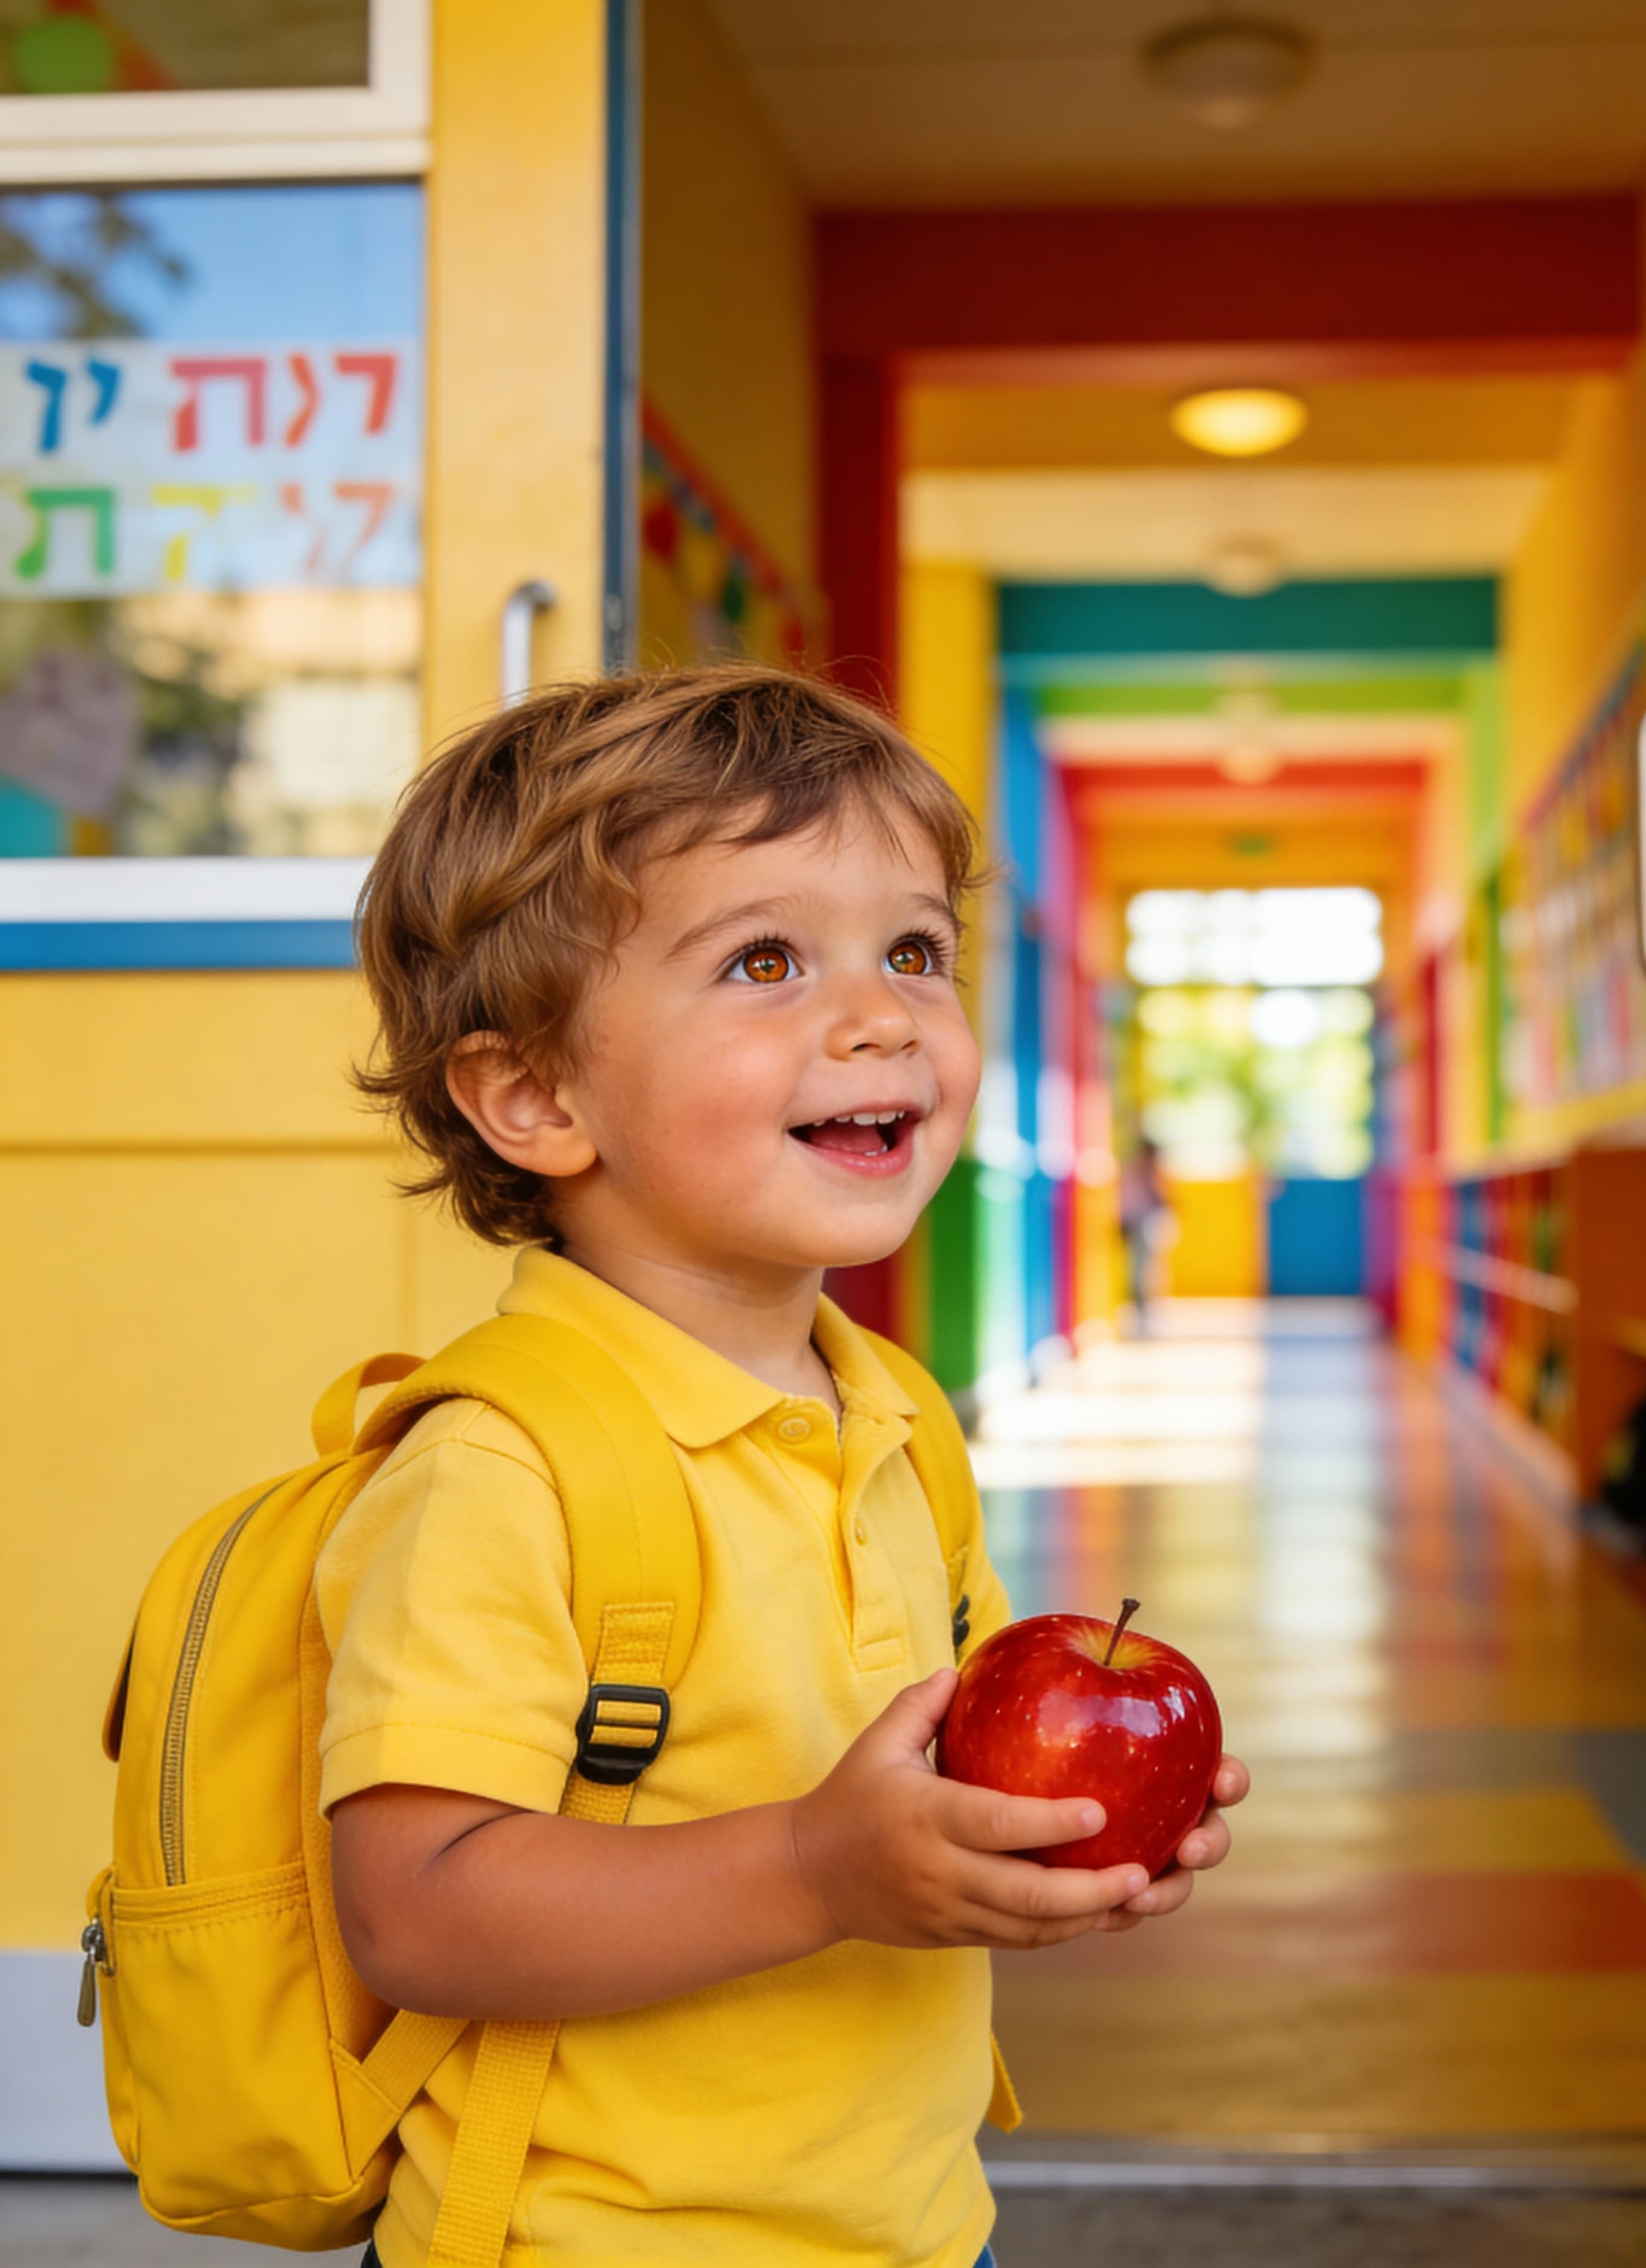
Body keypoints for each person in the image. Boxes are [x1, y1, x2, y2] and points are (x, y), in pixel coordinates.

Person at [326, 666, 1248, 2268]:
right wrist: (818, 1866)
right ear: (535, 1095)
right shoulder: (504, 1466)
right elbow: (415, 1909)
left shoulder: (894, 1413)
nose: (884, 1013)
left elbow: (928, 1776)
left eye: (914, 952)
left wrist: (1028, 1846)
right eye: (766, 960)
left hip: (904, 2221)